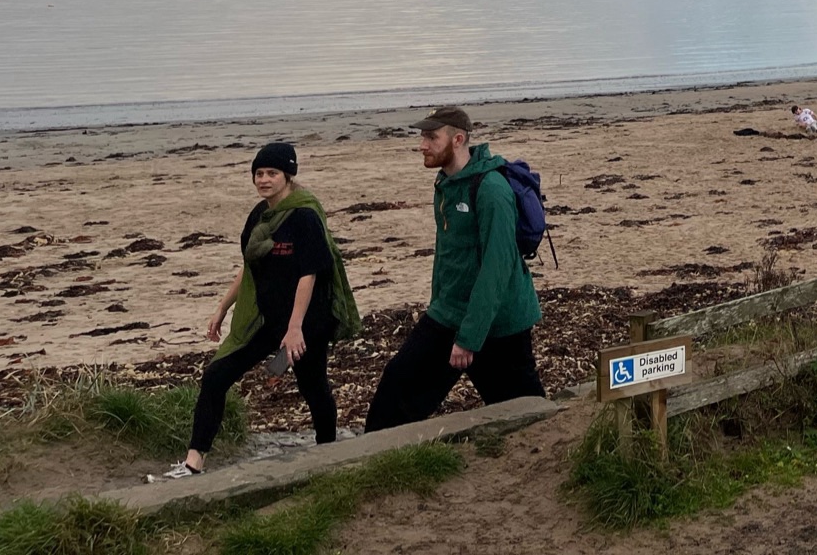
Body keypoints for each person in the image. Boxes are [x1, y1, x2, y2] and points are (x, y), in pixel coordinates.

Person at [166, 142, 359, 477]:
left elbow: (309, 274)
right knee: (216, 376)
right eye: (259, 173)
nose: (264, 180)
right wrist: (222, 308)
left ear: (288, 175)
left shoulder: (305, 216)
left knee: (312, 385)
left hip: (308, 320)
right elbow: (249, 267)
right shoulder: (260, 216)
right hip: (265, 319)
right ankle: (194, 462)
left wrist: (295, 328)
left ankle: (327, 451)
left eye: (272, 173)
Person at [363, 107, 544, 430]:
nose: (422, 145)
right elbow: (448, 255)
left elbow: (497, 269)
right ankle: (373, 456)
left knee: (527, 414)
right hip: (449, 313)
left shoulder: (491, 190)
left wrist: (469, 338)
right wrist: (438, 304)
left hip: (498, 324)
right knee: (396, 388)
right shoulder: (446, 183)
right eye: (422, 136)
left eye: (432, 137)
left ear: (458, 139)